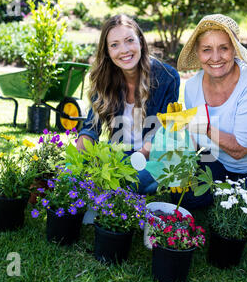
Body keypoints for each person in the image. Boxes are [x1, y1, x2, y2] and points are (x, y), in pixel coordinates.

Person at [161, 14, 247, 210]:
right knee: (184, 196)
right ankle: (219, 194)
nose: (215, 58)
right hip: (216, 160)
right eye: (207, 50)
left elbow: (240, 150)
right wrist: (181, 162)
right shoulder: (193, 86)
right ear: (198, 52)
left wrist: (204, 128)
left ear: (235, 50)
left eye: (224, 48)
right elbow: (194, 137)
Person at [76, 14, 180, 195]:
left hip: (152, 157)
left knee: (137, 179)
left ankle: (114, 190)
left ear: (140, 41)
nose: (124, 50)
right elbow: (90, 130)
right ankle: (111, 188)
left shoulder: (167, 77)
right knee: (84, 175)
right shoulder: (102, 79)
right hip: (119, 154)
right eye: (114, 45)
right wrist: (75, 163)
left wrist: (133, 163)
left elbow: (162, 133)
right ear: (107, 51)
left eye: (129, 40)